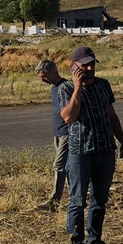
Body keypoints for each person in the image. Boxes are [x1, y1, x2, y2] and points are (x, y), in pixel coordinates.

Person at [58, 46, 123, 244]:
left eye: (92, 64)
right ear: (74, 67)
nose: (89, 69)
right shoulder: (66, 89)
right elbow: (68, 117)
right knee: (77, 201)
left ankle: (95, 241)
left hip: (105, 150)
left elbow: (112, 117)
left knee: (100, 199)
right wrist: (78, 89)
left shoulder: (103, 85)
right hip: (81, 153)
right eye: (84, 65)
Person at [34, 59, 69, 210]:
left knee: (59, 165)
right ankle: (76, 195)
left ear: (53, 72)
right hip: (59, 132)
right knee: (67, 167)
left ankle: (53, 202)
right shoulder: (55, 88)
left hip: (68, 132)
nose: (42, 79)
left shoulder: (66, 87)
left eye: (44, 76)